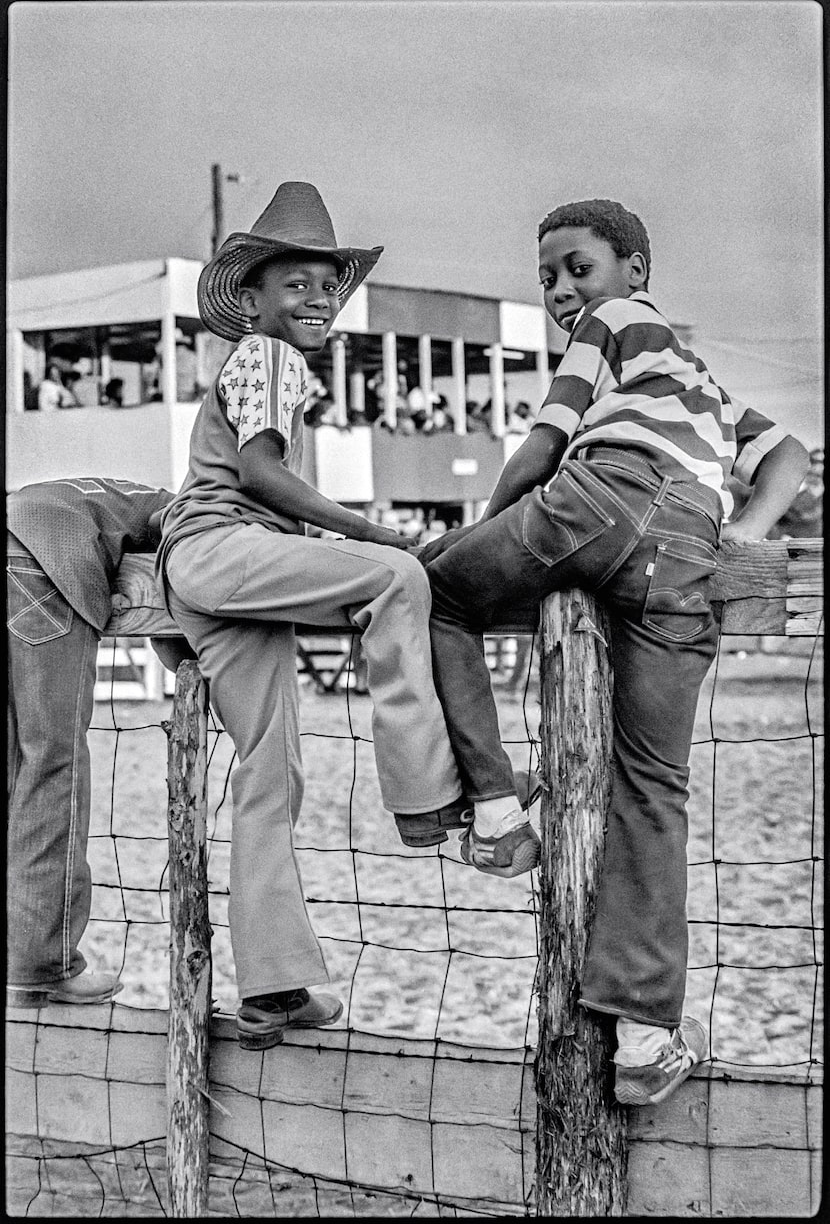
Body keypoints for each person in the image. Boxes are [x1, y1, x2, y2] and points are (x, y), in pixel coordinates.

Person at [419, 198, 809, 1107]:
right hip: (688, 550)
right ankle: (642, 1036)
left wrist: (492, 534)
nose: (561, 290)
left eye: (576, 267)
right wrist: (743, 532)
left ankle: (496, 810)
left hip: (605, 498)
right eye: (548, 276)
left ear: (635, 270)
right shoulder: (704, 384)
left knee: (438, 592)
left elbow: (545, 444)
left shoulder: (611, 326)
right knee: (653, 783)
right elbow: (786, 450)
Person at [154, 182, 537, 1052]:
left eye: (328, 285)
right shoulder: (268, 358)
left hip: (208, 569)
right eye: (297, 284)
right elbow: (257, 474)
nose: (318, 299)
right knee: (399, 577)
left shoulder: (266, 365)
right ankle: (431, 801)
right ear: (250, 300)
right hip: (224, 547)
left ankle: (275, 985)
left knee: (269, 772)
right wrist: (368, 529)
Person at [6, 477, 190, 1008]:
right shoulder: (177, 511)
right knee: (52, 761)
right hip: (45, 563)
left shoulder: (98, 490)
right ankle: (39, 965)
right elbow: (180, 590)